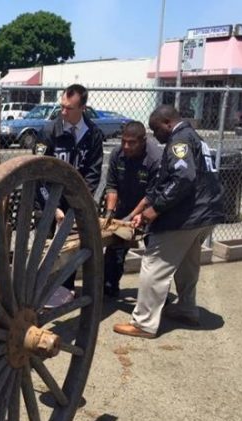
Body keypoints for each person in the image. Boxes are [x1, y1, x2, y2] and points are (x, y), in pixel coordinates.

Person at [113, 105, 224, 338]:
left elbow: (183, 178)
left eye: (156, 129)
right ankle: (186, 308)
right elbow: (169, 181)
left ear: (167, 123)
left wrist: (155, 210)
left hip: (187, 215)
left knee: (154, 262)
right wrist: (141, 210)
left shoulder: (179, 141)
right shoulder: (194, 137)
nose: (156, 135)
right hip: (207, 213)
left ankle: (143, 323)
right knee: (187, 262)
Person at [33, 84, 104, 295]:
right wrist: (52, 208)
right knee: (43, 245)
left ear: (82, 107)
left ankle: (64, 290)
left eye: (68, 108)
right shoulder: (48, 131)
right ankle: (38, 289)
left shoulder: (93, 135)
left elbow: (93, 173)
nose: (63, 112)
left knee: (71, 246)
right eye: (61, 106)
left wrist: (78, 203)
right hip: (47, 198)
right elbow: (38, 173)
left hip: (75, 199)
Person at [102, 121, 162, 298]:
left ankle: (157, 297)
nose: (126, 146)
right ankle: (109, 287)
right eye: (123, 141)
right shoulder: (117, 154)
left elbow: (150, 197)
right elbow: (112, 187)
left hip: (152, 212)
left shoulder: (155, 159)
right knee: (114, 250)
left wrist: (130, 217)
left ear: (143, 140)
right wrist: (110, 214)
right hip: (124, 206)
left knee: (155, 257)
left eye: (131, 143)